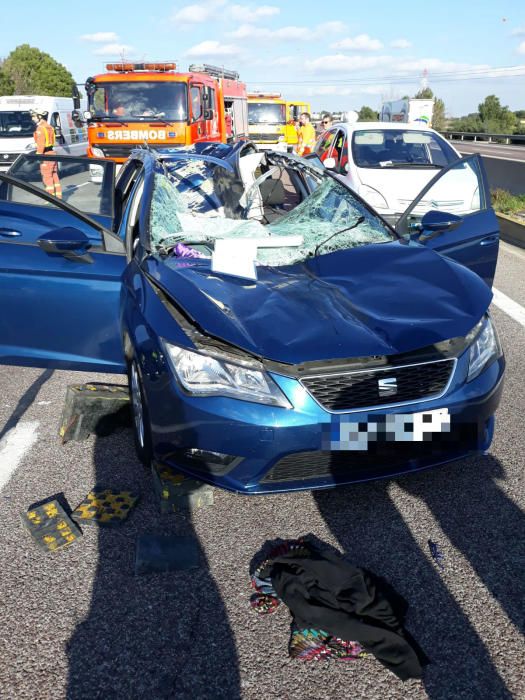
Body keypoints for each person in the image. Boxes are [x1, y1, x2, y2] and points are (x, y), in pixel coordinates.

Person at [31, 108, 62, 199]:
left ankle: (50, 199)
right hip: (52, 153)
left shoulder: (40, 128)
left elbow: (41, 145)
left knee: (47, 177)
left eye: (34, 116)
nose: (32, 119)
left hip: (45, 155)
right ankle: (59, 197)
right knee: (54, 174)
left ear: (39, 116)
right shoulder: (50, 127)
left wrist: (38, 156)